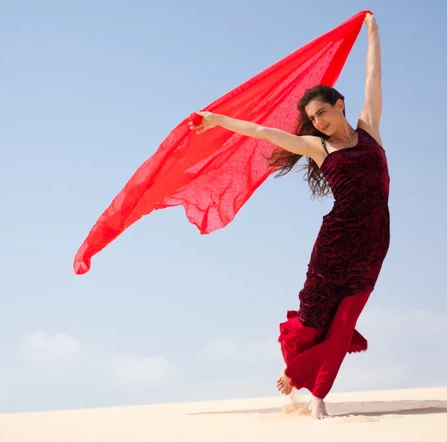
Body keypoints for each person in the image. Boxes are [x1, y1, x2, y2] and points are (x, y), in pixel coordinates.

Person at [189, 13, 387, 419]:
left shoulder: (369, 129)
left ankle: (312, 391)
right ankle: (312, 392)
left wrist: (373, 33)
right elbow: (264, 133)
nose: (318, 122)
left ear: (340, 105)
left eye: (322, 114)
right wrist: (217, 120)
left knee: (345, 321)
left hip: (373, 242)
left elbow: (373, 79)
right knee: (316, 321)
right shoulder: (319, 148)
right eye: (313, 119)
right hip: (334, 244)